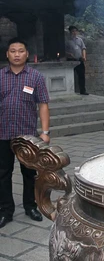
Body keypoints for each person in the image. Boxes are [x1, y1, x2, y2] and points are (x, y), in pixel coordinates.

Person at [0, 38, 50, 228]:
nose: (17, 54)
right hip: (2, 133)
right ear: (7, 54)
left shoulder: (36, 77)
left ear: (27, 54)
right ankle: (5, 210)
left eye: (21, 51)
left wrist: (45, 132)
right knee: (3, 173)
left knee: (29, 173)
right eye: (13, 51)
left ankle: (31, 206)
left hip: (27, 135)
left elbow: (43, 104)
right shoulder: (0, 76)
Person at [65, 25, 89, 95]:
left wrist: (84, 56)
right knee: (70, 75)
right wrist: (69, 54)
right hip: (71, 60)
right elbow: (64, 51)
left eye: (75, 31)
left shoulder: (80, 40)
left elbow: (83, 48)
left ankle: (82, 90)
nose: (74, 33)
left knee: (81, 75)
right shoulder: (67, 41)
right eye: (73, 31)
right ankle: (70, 91)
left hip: (79, 59)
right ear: (70, 32)